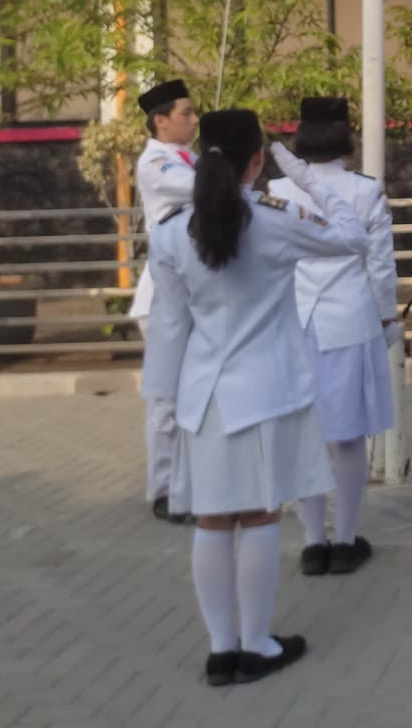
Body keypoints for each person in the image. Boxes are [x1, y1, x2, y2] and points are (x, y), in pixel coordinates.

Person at [142, 109, 369, 686]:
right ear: (256, 161)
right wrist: (303, 171)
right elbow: (351, 235)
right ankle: (258, 643)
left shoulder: (171, 232)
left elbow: (169, 326)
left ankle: (222, 652)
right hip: (267, 391)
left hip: (203, 397)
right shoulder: (271, 219)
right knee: (261, 514)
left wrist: (164, 404)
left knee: (214, 521)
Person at [269, 97, 399, 577]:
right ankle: (345, 540)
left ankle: (312, 542)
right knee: (348, 437)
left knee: (306, 435)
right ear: (346, 136)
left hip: (296, 322)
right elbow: (380, 266)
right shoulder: (365, 190)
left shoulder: (279, 189)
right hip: (348, 320)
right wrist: (387, 318)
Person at [130, 78, 200, 524]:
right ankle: (163, 490)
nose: (194, 120)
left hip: (188, 289)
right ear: (161, 121)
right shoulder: (157, 162)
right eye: (186, 113)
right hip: (163, 296)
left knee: (189, 395)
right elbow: (202, 190)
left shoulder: (184, 157)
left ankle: (186, 483)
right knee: (167, 397)